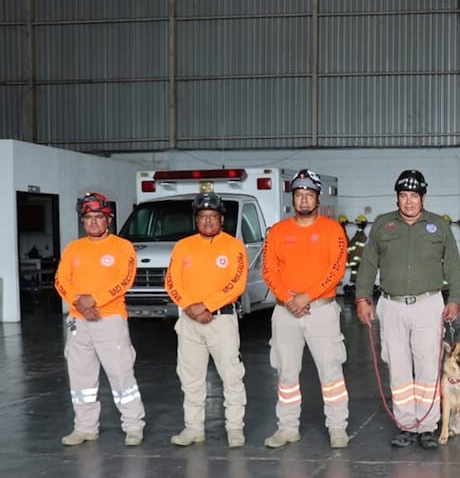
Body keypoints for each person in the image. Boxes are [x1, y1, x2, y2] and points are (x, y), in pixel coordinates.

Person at [355, 169, 460, 450]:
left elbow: (452, 264)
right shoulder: (382, 225)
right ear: (397, 198)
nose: (408, 201)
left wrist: (454, 298)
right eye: (403, 196)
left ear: (423, 197)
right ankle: (406, 425)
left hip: (428, 305)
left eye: (414, 196)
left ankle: (427, 426)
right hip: (391, 305)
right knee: (399, 367)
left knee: (428, 366)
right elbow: (368, 264)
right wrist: (362, 298)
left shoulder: (438, 226)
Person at [262, 169, 350, 449]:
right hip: (285, 312)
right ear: (293, 199)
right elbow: (268, 269)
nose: (303, 200)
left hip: (321, 311)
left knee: (331, 372)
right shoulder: (278, 231)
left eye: (308, 195)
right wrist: (289, 299)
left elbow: (336, 269)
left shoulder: (332, 230)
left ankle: (337, 428)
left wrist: (307, 296)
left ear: (317, 198)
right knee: (286, 373)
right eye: (298, 195)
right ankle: (287, 428)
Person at [54, 192, 146, 446]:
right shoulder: (73, 248)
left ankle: (133, 427)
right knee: (81, 377)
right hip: (78, 321)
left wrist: (94, 300)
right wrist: (80, 303)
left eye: (99, 217)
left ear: (109, 220)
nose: (93, 222)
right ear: (82, 221)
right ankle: (85, 427)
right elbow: (62, 281)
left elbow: (124, 280)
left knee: (121, 374)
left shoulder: (122, 247)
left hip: (110, 320)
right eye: (88, 218)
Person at [165, 192, 249, 448]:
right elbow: (171, 281)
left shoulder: (233, 246)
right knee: (190, 377)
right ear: (196, 220)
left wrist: (207, 305)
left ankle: (235, 429)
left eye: (213, 216)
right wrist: (190, 307)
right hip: (190, 322)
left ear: (222, 219)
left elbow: (237, 283)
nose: (208, 221)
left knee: (231, 376)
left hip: (221, 321)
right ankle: (193, 428)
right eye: (203, 216)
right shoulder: (183, 246)